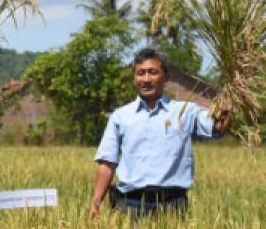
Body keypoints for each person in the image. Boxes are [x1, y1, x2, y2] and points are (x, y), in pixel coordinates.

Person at [90, 48, 230, 218]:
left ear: (166, 76)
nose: (146, 79)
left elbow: (217, 128)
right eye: (140, 73)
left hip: (171, 204)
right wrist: (96, 201)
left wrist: (227, 109)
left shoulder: (185, 111)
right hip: (129, 203)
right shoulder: (120, 116)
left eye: (153, 72)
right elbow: (107, 163)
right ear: (134, 78)